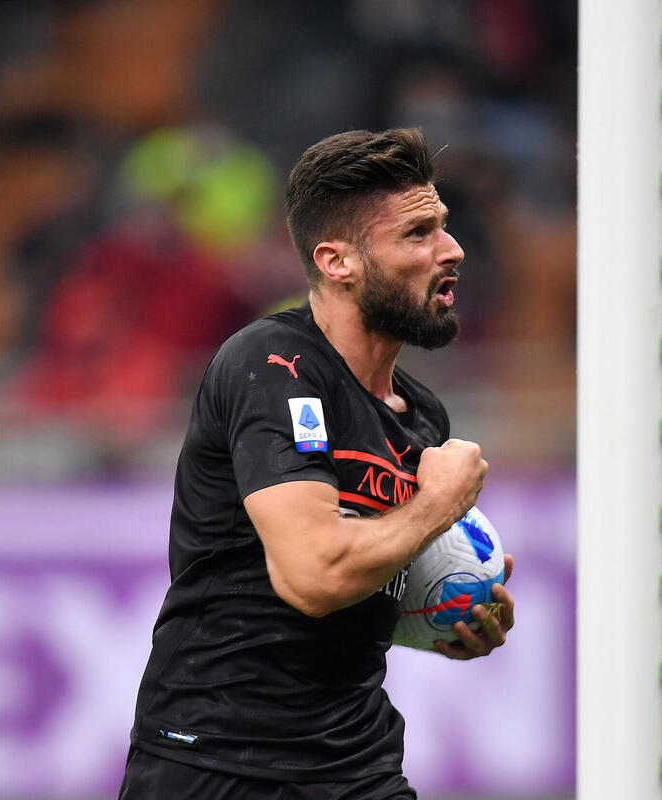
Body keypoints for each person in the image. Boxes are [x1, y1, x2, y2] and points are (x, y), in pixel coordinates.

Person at [119, 128, 515, 799]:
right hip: (215, 765)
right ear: (337, 262)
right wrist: (436, 506)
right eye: (417, 233)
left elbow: (358, 586)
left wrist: (439, 612)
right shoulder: (272, 366)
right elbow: (312, 575)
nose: (451, 249)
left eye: (443, 227)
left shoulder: (423, 418)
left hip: (354, 766)